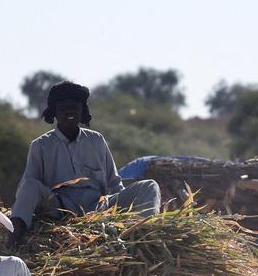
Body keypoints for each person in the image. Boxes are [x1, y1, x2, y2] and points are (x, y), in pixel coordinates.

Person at [8, 81, 160, 248]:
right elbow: (27, 190)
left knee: (149, 186)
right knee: (29, 185)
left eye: (74, 107)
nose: (69, 111)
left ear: (82, 111)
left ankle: (147, 234)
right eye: (63, 107)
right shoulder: (41, 145)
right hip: (60, 209)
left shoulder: (97, 140)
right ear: (55, 112)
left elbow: (114, 184)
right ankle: (13, 240)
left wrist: (121, 210)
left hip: (99, 207)